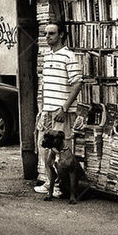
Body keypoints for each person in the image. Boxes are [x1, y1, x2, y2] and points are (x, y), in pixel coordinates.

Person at [34, 20, 83, 196]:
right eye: (45, 34)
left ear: (61, 34)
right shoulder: (46, 57)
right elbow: (44, 84)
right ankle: (50, 183)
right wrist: (41, 109)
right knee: (44, 149)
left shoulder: (69, 56)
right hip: (47, 111)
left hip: (61, 111)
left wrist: (64, 107)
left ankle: (62, 187)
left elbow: (77, 83)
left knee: (62, 151)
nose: (47, 37)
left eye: (51, 33)